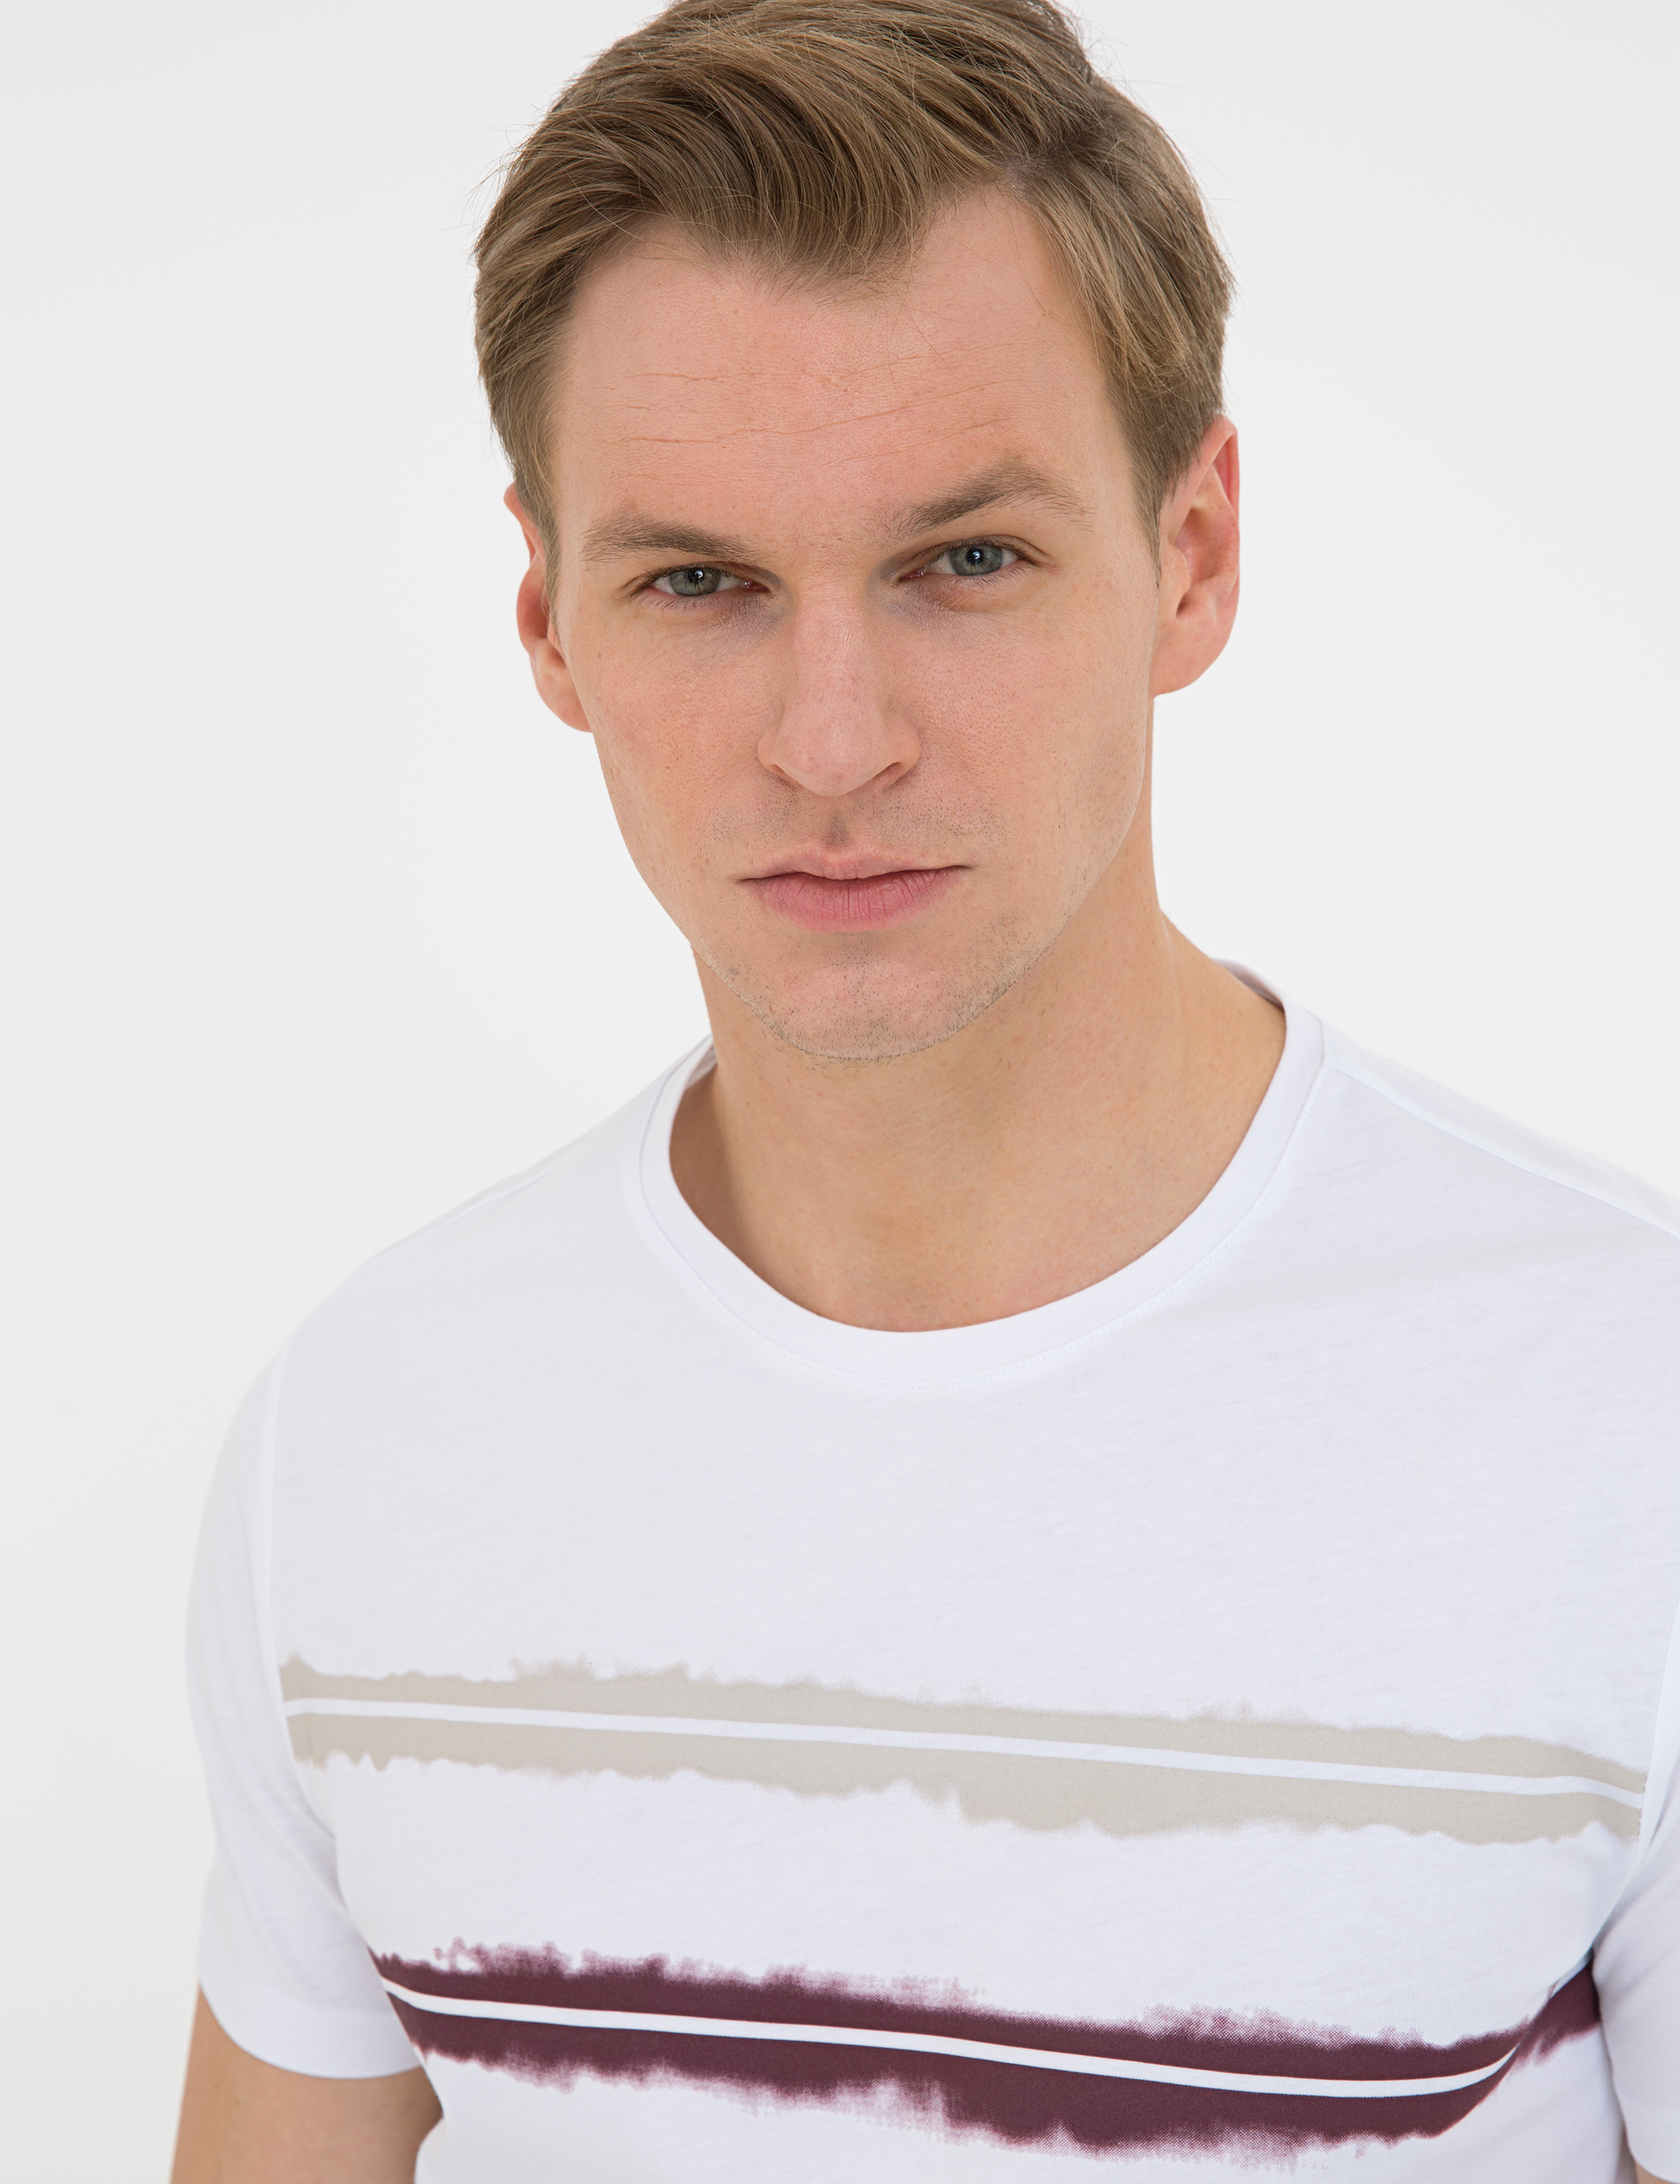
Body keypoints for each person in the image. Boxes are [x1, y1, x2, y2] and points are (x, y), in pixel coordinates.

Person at [170, 1, 1680, 2177]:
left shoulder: (1619, 1416)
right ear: (548, 620)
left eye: (964, 561)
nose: (833, 739)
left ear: (1191, 552)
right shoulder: (366, 1434)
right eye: (698, 582)